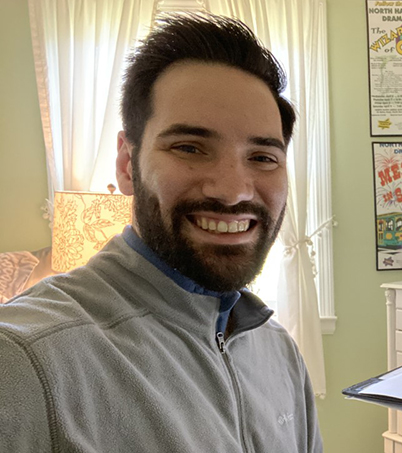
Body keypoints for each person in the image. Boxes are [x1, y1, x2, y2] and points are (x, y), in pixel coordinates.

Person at [0, 13, 322, 453]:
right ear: (126, 165)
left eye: (263, 157)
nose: (233, 191)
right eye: (189, 147)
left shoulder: (278, 351)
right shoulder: (24, 361)